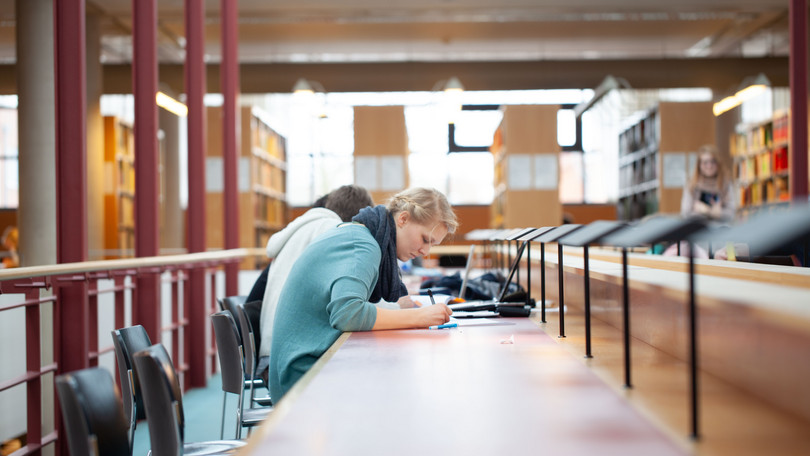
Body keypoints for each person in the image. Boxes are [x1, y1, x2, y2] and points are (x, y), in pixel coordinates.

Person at [268, 187, 458, 400]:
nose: (426, 252)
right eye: (425, 239)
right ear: (403, 219)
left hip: (310, 363)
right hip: (302, 377)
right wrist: (419, 317)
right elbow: (348, 314)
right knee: (402, 391)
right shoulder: (362, 244)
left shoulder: (362, 234)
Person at [252, 185, 375, 363]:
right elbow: (347, 307)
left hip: (272, 349)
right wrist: (397, 308)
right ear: (361, 218)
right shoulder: (335, 231)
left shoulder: (303, 228)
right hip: (292, 357)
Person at [680, 144, 736, 223]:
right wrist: (714, 213)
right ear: (699, 165)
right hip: (698, 230)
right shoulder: (691, 184)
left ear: (718, 163)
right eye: (705, 162)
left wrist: (707, 211)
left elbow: (731, 214)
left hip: (720, 230)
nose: (709, 166)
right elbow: (685, 213)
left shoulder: (725, 183)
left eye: (713, 161)